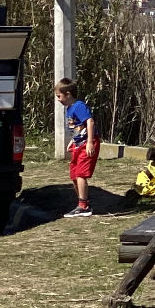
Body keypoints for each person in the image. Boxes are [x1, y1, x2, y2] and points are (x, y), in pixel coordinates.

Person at [57, 78, 99, 217]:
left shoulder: (79, 106)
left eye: (59, 96)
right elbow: (78, 127)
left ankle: (84, 206)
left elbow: (90, 122)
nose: (58, 99)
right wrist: (74, 141)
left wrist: (90, 142)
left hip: (86, 144)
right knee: (74, 174)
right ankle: (82, 202)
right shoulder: (69, 109)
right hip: (78, 143)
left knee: (81, 173)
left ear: (68, 94)